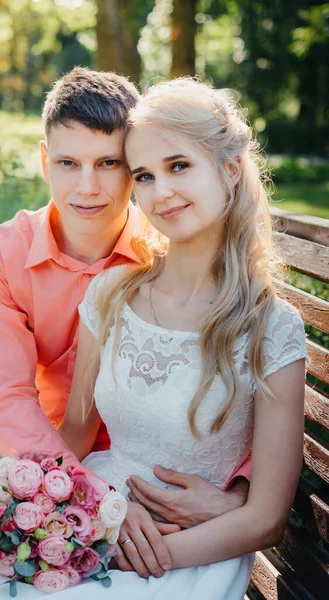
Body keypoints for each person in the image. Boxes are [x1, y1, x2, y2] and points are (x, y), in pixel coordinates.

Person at [0, 69, 248, 552]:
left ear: (134, 165)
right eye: (68, 162)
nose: (87, 187)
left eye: (109, 163)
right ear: (44, 161)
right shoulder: (4, 253)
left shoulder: (169, 253)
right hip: (41, 452)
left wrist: (239, 492)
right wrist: (82, 487)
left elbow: (248, 369)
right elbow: (5, 395)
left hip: (126, 471)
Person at [56, 77, 308, 598]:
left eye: (178, 166)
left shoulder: (272, 329)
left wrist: (144, 555)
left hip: (191, 556)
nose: (160, 192)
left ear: (230, 168)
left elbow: (265, 519)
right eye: (144, 176)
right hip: (98, 518)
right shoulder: (110, 295)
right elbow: (77, 431)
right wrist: (81, 510)